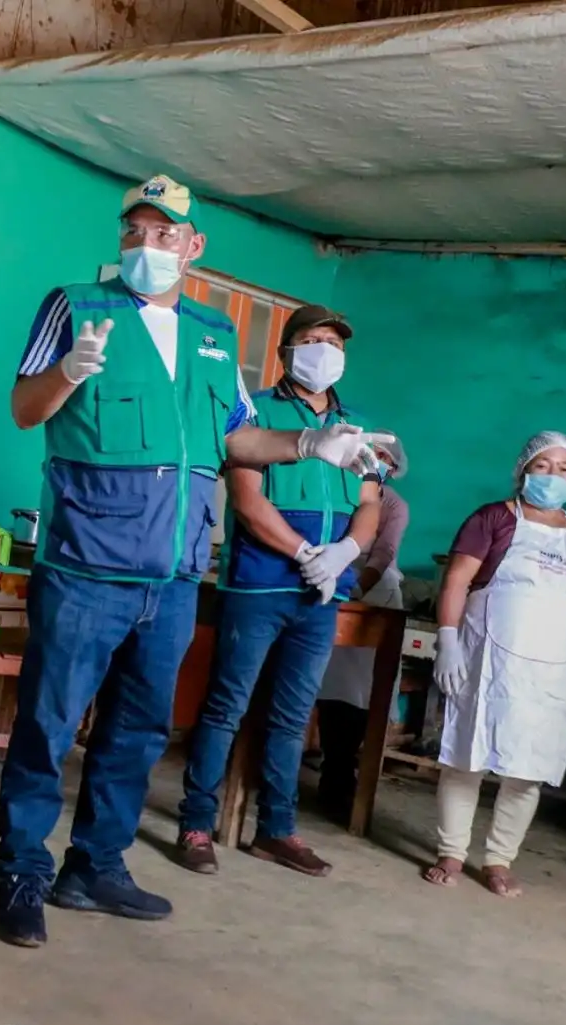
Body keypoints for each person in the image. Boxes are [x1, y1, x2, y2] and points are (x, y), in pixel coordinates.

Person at [0, 175, 391, 947]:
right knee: (48, 724)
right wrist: (66, 373)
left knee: (140, 730)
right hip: (87, 567)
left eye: (166, 232)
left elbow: (237, 439)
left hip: (175, 576)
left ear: (194, 245)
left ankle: (95, 866)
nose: (149, 245)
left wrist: (309, 444)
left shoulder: (214, 334)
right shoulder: (74, 306)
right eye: (135, 231)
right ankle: (22, 873)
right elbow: (22, 410)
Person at [174, 307, 385, 877]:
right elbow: (246, 498)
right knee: (225, 708)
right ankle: (196, 822)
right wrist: (301, 552)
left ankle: (276, 831)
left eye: (332, 342)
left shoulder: (359, 427)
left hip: (322, 595)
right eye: (310, 340)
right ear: (286, 353)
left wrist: (343, 554)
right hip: (261, 584)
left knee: (293, 718)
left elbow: (370, 505)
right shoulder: (257, 415)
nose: (323, 350)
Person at [425, 432, 566, 897]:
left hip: (549, 669)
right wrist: (447, 638)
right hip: (487, 661)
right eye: (542, 466)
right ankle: (451, 852)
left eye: (564, 469)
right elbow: (457, 581)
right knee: (468, 756)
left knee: (529, 766)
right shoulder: (493, 519)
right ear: (523, 470)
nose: (553, 476)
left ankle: (499, 859)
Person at [314, 432, 410, 814]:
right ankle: (329, 771)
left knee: (363, 691)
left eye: (385, 457)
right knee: (327, 684)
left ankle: (342, 774)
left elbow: (383, 552)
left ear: (394, 467)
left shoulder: (393, 505)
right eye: (373, 453)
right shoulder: (338, 485)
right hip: (329, 579)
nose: (378, 461)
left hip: (373, 593)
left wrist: (355, 587)